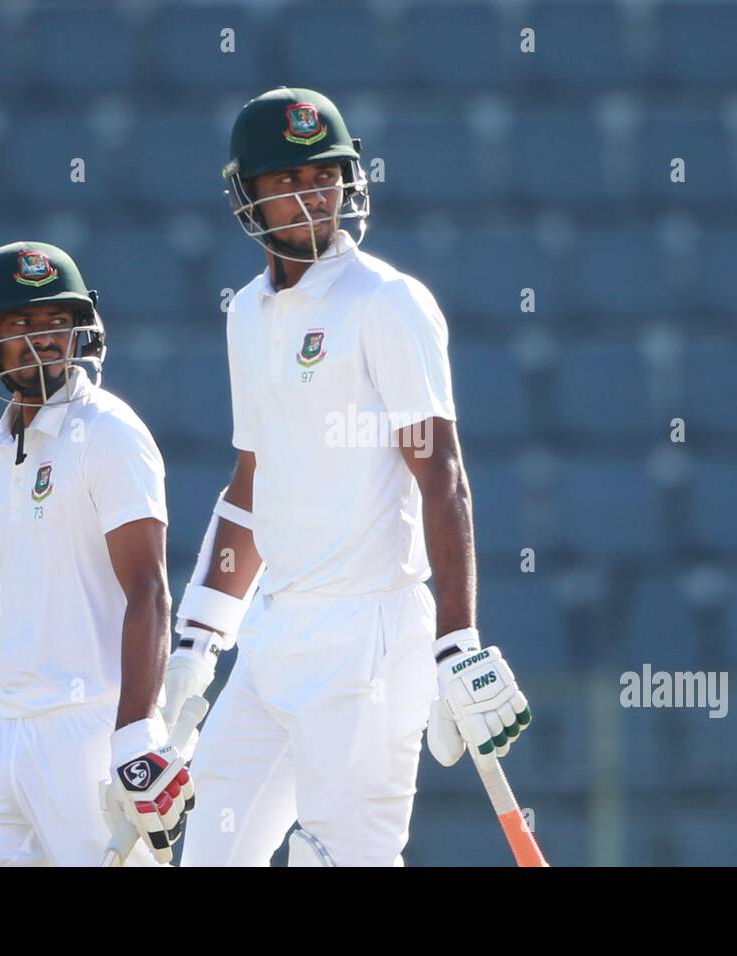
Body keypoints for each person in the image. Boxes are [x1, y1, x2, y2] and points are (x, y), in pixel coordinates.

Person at [165, 88, 532, 867]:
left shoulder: (387, 302)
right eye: (287, 180)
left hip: (368, 638)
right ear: (247, 196)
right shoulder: (246, 315)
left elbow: (443, 478)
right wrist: (200, 640)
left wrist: (457, 641)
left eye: (324, 175)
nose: (311, 196)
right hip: (272, 635)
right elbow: (251, 482)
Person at [0, 241, 191, 866]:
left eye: (55, 321)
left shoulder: (110, 433)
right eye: (21, 324)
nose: (42, 339)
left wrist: (137, 733)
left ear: (80, 329)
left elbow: (148, 589)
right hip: (4, 722)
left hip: (86, 729)